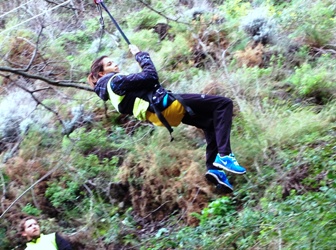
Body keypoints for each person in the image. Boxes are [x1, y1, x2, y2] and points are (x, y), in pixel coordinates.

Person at [88, 44, 246, 193]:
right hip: (168, 105)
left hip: (162, 117)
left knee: (210, 124)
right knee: (223, 104)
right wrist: (140, 55)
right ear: (102, 73)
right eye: (109, 64)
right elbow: (150, 76)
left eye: (113, 62)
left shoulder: (111, 94)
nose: (115, 65)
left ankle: (214, 169)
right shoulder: (115, 81)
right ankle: (225, 155)